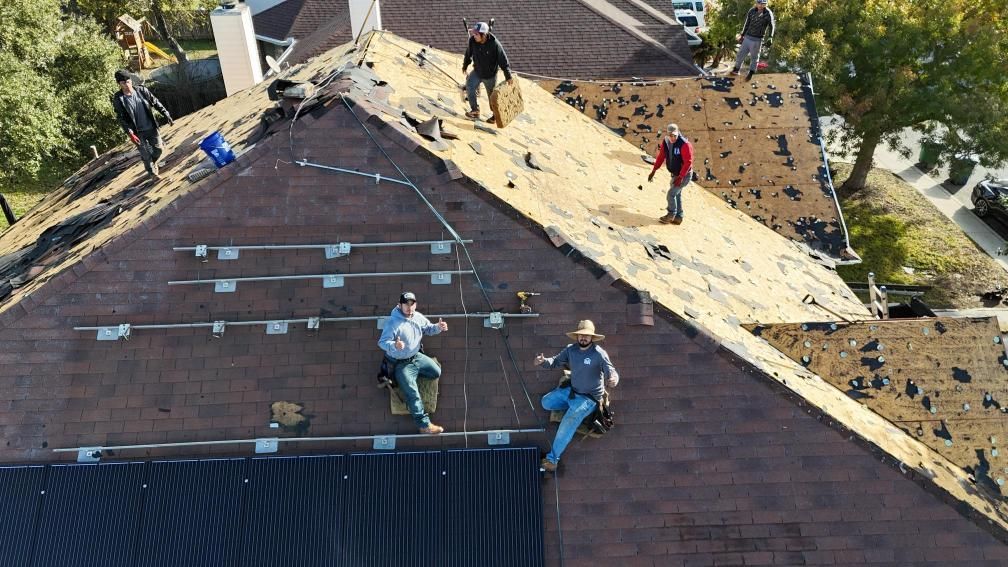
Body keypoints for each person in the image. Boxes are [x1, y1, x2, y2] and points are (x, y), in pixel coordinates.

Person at [534, 320, 619, 472]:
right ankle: (572, 410)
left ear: (592, 337)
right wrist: (543, 361)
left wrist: (613, 379)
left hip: (588, 399)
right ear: (577, 336)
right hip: (572, 391)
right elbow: (555, 361)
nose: (583, 338)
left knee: (566, 426)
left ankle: (552, 460)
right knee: (546, 402)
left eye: (587, 335)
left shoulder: (599, 353)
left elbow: (611, 372)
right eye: (581, 335)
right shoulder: (570, 349)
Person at [378, 292, 449, 434]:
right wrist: (394, 345)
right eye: (406, 304)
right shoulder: (393, 322)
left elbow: (428, 329)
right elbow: (382, 342)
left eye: (412, 304)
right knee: (413, 393)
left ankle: (408, 379)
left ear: (415, 305)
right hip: (401, 363)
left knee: (436, 372)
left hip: (416, 357)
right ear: (399, 305)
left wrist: (438, 327)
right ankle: (424, 425)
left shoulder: (418, 317)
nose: (409, 307)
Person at [110, 69, 173, 178]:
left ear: (131, 80)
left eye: (128, 81)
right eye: (123, 83)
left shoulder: (142, 90)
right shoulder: (118, 99)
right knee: (145, 154)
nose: (127, 84)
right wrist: (130, 133)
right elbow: (121, 118)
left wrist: (165, 113)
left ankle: (152, 163)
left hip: (151, 127)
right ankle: (152, 174)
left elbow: (155, 102)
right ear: (119, 84)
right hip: (137, 132)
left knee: (159, 149)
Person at [461, 21, 513, 120]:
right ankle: (475, 110)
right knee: (469, 86)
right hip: (477, 71)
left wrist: (508, 76)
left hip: (490, 76)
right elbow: (468, 53)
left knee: (492, 97)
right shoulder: (472, 41)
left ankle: (495, 115)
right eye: (474, 33)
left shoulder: (495, 44)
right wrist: (465, 65)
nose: (474, 36)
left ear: (484, 35)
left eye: (476, 34)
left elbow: (503, 60)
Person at [647, 123, 694, 225]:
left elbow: (688, 162)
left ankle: (671, 214)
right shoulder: (666, 142)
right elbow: (661, 157)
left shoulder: (685, 144)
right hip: (675, 174)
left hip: (684, 175)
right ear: (667, 134)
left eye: (674, 136)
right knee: (677, 194)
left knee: (671, 194)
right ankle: (678, 217)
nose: (672, 138)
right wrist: (654, 171)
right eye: (670, 135)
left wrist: (681, 177)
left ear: (678, 133)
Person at [730, 0, 775, 81]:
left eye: (763, 4)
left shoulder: (768, 13)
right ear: (756, 3)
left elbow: (772, 25)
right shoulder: (751, 11)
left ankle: (751, 73)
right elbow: (747, 23)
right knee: (740, 54)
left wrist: (770, 37)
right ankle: (736, 69)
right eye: (759, 3)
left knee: (754, 57)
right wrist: (742, 35)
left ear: (766, 4)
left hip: (757, 39)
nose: (761, 5)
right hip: (747, 37)